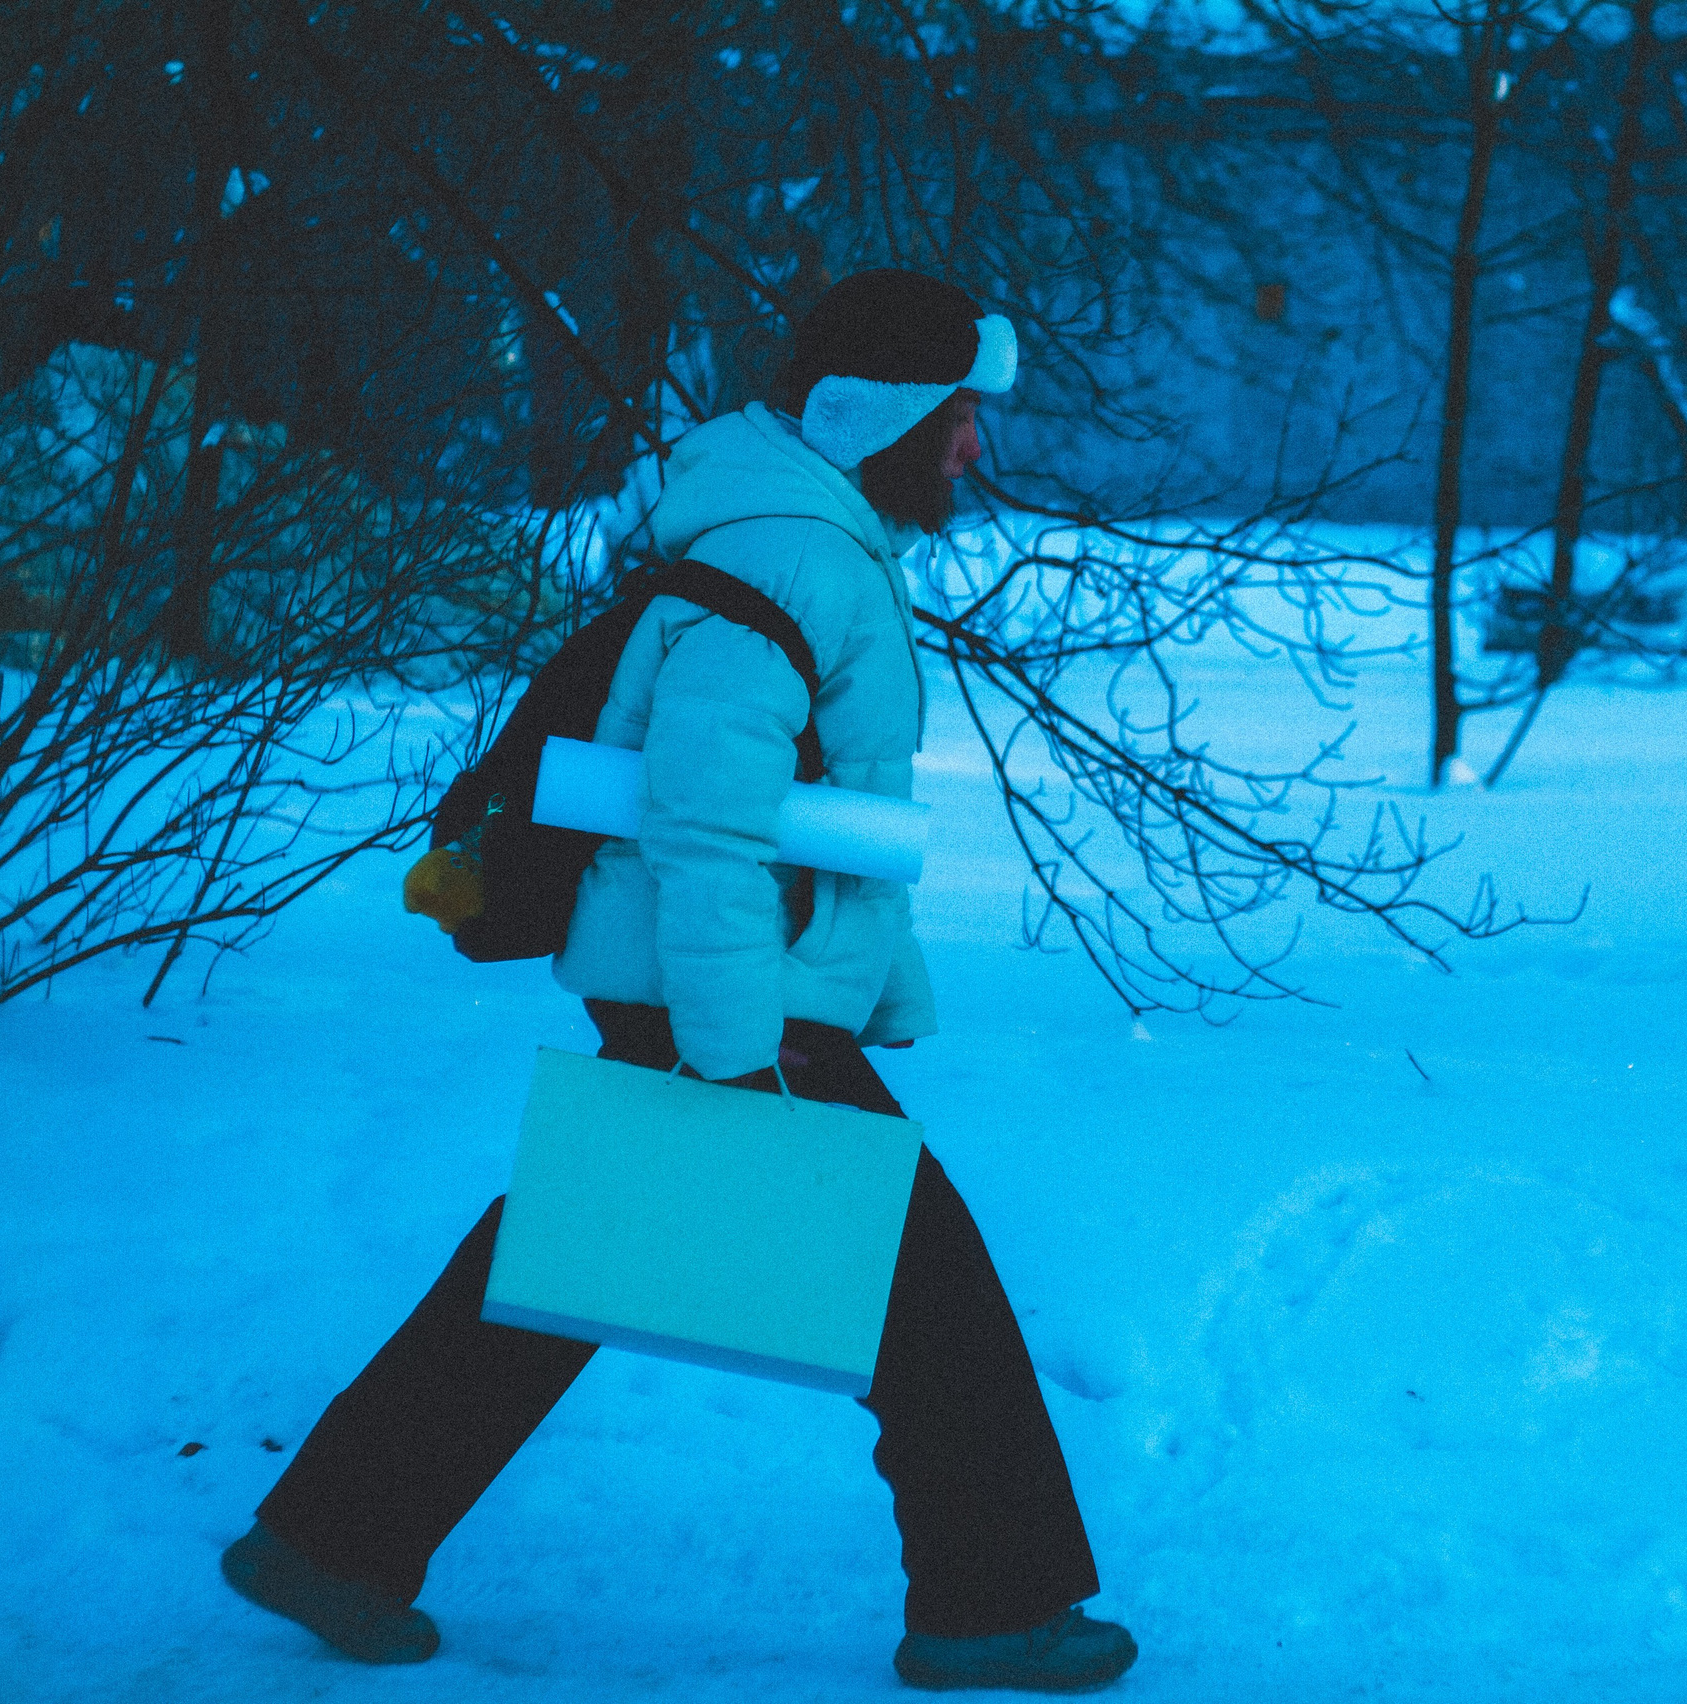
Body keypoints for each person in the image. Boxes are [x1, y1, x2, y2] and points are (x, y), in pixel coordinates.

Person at [219, 269, 1138, 1695]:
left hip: (721, 994)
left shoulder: (804, 538)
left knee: (577, 1258)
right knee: (932, 1305)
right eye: (962, 413)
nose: (976, 445)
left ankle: (334, 1539)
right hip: (729, 1003)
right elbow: (708, 824)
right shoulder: (795, 558)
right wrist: (739, 1046)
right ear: (887, 410)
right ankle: (990, 1607)